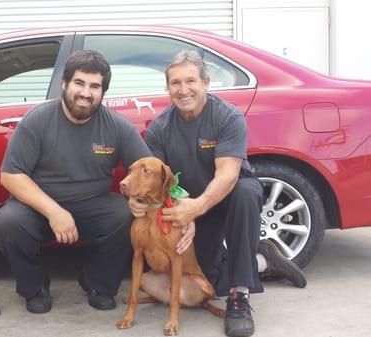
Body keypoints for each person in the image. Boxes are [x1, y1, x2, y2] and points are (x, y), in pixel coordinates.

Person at [129, 50, 307, 337]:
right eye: (175, 83)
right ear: (168, 87)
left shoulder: (227, 117)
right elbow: (155, 185)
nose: (183, 90)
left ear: (206, 82)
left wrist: (195, 209)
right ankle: (264, 261)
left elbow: (227, 175)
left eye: (190, 81)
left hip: (226, 198)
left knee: (246, 192)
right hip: (190, 205)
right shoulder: (159, 129)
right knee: (203, 284)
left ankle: (240, 296)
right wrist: (140, 203)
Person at [0, 50, 150, 314]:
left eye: (94, 86)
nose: (86, 93)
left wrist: (138, 196)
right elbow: (11, 175)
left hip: (92, 204)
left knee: (126, 214)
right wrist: (54, 211)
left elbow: (148, 168)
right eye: (79, 83)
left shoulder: (117, 126)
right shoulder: (38, 120)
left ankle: (98, 282)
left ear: (102, 92)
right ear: (64, 83)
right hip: (38, 208)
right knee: (7, 223)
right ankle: (35, 286)